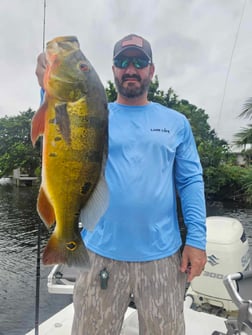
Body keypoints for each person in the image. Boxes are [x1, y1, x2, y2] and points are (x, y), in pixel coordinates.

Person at [36, 33, 207, 335]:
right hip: (100, 253)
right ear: (113, 69)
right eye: (122, 61)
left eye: (139, 62)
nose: (131, 68)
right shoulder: (96, 111)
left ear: (151, 70)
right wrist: (46, 85)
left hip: (162, 257)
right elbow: (57, 123)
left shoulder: (176, 122)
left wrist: (197, 239)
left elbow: (190, 180)